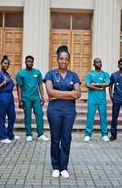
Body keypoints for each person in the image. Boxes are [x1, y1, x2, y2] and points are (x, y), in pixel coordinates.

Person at [44, 45, 81, 179]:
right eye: (61, 59)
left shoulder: (74, 75)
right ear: (57, 59)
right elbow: (49, 92)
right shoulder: (50, 74)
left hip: (69, 111)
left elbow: (77, 94)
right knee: (55, 138)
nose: (63, 61)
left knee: (66, 139)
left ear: (69, 60)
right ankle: (55, 166)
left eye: (66, 59)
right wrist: (69, 93)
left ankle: (64, 167)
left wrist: (57, 94)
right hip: (54, 111)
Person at [16, 55, 49, 142]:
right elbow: (19, 87)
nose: (30, 63)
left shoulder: (37, 72)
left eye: (31, 61)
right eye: (28, 61)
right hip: (26, 98)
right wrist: (20, 100)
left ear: (33, 62)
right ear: (25, 62)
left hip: (36, 98)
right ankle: (29, 134)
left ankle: (40, 134)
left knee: (39, 114)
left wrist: (42, 97)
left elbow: (40, 85)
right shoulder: (21, 73)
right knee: (28, 116)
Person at [0, 55, 19, 144]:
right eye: (5, 63)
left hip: (10, 96)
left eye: (8, 64)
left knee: (12, 116)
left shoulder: (8, 74)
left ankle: (10, 134)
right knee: (2, 117)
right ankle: (2, 137)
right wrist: (3, 83)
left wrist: (14, 83)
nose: (6, 65)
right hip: (2, 96)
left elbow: (10, 84)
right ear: (1, 64)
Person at [84, 58, 110, 142]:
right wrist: (99, 88)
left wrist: (95, 84)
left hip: (102, 100)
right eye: (96, 62)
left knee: (103, 117)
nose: (98, 63)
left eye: (100, 62)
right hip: (92, 99)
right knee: (90, 117)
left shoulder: (105, 74)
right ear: (93, 64)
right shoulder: (90, 74)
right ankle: (88, 134)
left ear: (101, 64)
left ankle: (105, 135)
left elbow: (107, 83)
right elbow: (87, 84)